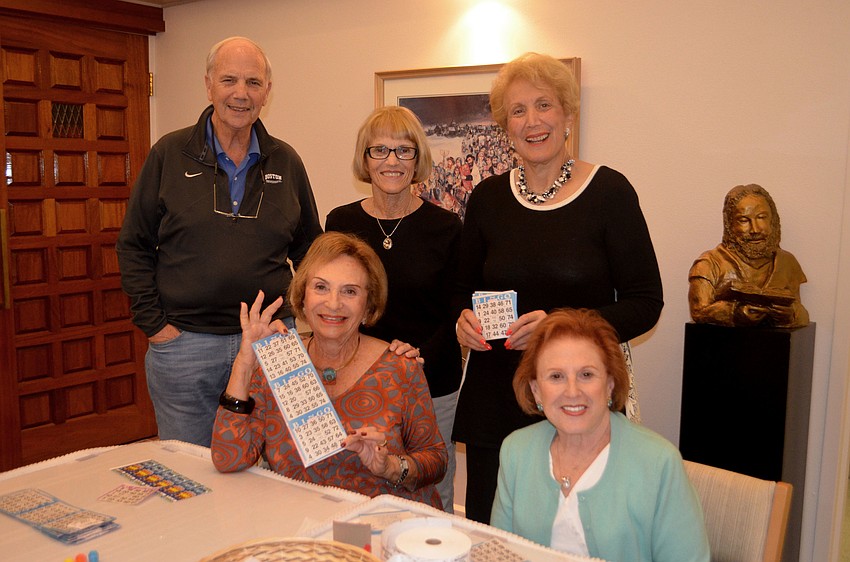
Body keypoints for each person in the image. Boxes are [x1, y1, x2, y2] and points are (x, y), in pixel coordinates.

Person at [453, 52, 663, 523]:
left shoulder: (609, 193)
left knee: (575, 533)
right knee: (494, 538)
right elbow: (462, 289)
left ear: (568, 114)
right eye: (518, 111)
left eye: (544, 105)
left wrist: (560, 328)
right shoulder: (487, 198)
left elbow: (646, 303)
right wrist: (462, 322)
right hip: (497, 399)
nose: (532, 121)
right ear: (505, 126)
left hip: (576, 401)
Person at [116, 37, 322, 447]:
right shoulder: (169, 154)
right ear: (209, 85)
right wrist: (156, 327)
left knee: (272, 463)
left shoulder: (287, 161)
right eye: (229, 80)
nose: (241, 93)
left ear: (267, 91)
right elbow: (134, 244)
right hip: (184, 345)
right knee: (188, 469)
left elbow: (311, 252)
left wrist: (304, 323)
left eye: (253, 82)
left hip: (271, 342)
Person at [211, 232, 447, 508]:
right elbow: (228, 458)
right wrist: (246, 361)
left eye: (350, 291)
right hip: (299, 524)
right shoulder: (279, 362)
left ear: (369, 305)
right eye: (321, 287)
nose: (333, 303)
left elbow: (436, 460)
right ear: (302, 296)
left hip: (383, 524)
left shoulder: (399, 366)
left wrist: (390, 467)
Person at [325, 106, 463, 512]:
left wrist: (415, 358)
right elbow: (332, 305)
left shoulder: (448, 228)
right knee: (358, 482)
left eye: (404, 151)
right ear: (364, 159)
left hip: (431, 380)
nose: (391, 161)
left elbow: (456, 308)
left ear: (418, 159)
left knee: (430, 490)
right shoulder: (340, 221)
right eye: (379, 150)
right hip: (357, 381)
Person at [491, 309, 709, 561]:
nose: (572, 391)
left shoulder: (658, 463)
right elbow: (499, 553)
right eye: (556, 376)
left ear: (609, 384)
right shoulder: (516, 451)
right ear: (537, 391)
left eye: (586, 374)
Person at [688, 183, 809, 328]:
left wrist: (790, 314)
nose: (755, 229)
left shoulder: (788, 263)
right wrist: (733, 312)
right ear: (729, 225)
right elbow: (699, 312)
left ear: (773, 221)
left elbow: (802, 313)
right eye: (744, 220)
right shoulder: (708, 264)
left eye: (761, 217)